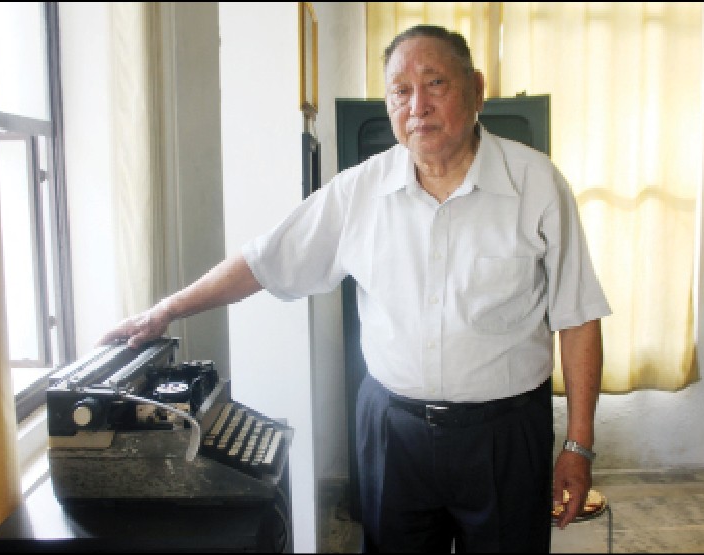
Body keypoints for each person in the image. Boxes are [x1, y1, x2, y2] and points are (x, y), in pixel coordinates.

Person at [99, 24, 611, 553]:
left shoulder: (537, 184)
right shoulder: (359, 191)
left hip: (505, 435)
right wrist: (166, 310)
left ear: (477, 89)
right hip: (393, 433)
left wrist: (579, 446)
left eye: (435, 83)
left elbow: (578, 317)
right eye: (401, 91)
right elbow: (264, 259)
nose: (418, 106)